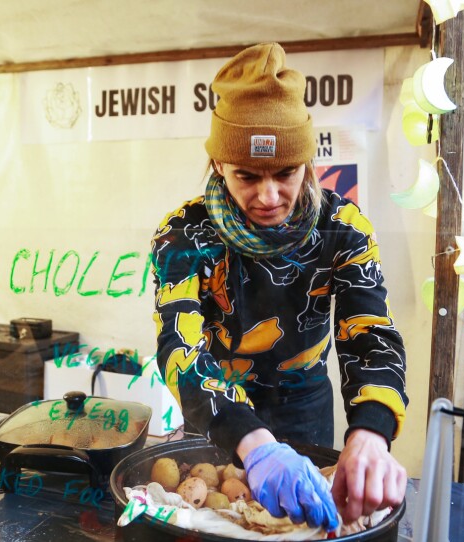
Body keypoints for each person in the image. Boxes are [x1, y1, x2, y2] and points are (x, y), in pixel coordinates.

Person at [150, 42, 408, 532]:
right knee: (221, 521)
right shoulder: (184, 235)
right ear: (219, 166)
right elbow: (180, 347)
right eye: (247, 176)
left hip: (304, 401)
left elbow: (369, 333)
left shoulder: (344, 229)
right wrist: (255, 442)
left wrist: (371, 432)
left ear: (308, 164)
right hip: (218, 407)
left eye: (286, 173)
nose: (268, 197)